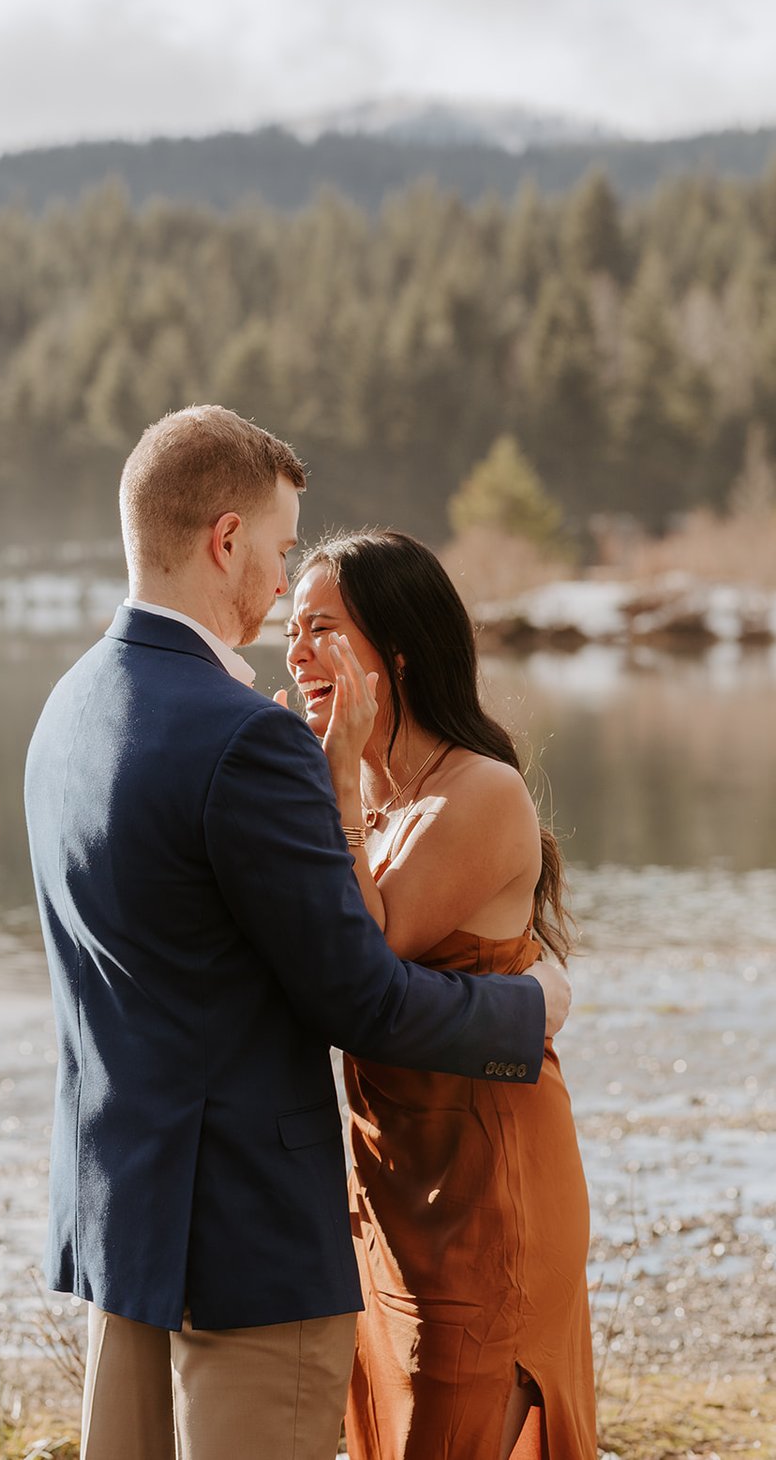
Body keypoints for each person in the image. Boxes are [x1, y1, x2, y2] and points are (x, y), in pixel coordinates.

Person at [24, 406, 571, 1460]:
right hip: (243, 1241)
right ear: (224, 540)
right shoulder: (244, 738)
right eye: (277, 552)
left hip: (123, 1221)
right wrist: (528, 1007)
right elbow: (355, 994)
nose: (280, 586)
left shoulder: (70, 708)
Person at [283, 528, 596, 1460]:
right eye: (291, 629)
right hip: (388, 1180)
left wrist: (334, 779)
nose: (296, 653)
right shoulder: (365, 795)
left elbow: (361, 957)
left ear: (399, 651)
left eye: (322, 629)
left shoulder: (482, 793)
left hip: (488, 1188)